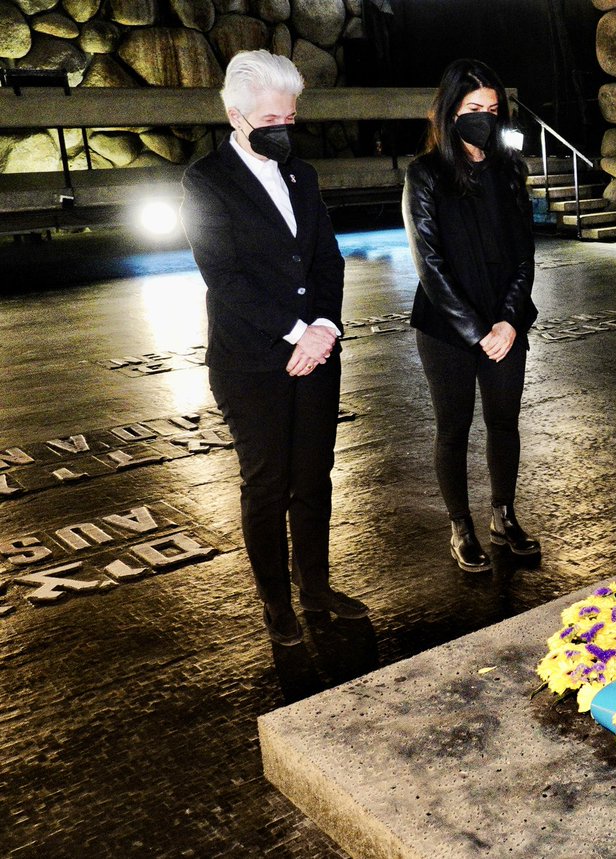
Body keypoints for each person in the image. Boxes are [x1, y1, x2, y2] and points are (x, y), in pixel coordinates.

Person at [181, 50, 368, 646]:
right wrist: (297, 331)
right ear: (235, 117)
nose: (283, 130)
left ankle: (315, 586)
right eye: (270, 120)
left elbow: (327, 259)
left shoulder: (301, 175)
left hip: (317, 352)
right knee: (267, 486)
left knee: (313, 478)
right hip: (251, 361)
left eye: (290, 118)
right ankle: (276, 603)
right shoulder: (206, 181)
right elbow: (224, 277)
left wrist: (326, 327)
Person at [403, 58, 540, 573]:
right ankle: (460, 526)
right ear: (450, 112)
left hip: (506, 324)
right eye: (474, 107)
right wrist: (477, 330)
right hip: (447, 327)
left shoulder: (509, 171)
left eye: (493, 108)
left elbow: (525, 256)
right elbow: (429, 264)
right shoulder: (425, 175)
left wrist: (508, 322)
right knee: (453, 427)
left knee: (504, 421)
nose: (485, 117)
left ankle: (504, 515)